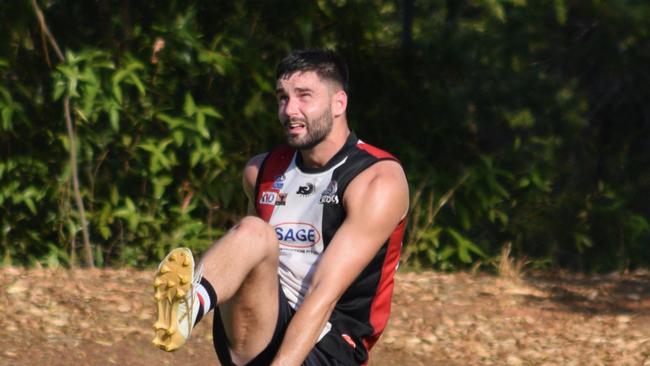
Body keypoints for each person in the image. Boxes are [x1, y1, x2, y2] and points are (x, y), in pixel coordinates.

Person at [152, 49, 409, 366]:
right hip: (261, 326)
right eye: (282, 98)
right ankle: (188, 304)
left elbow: (323, 295)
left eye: (304, 96)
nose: (289, 110)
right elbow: (245, 260)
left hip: (328, 343)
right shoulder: (260, 171)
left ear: (338, 103)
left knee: (259, 236)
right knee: (252, 231)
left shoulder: (376, 180)